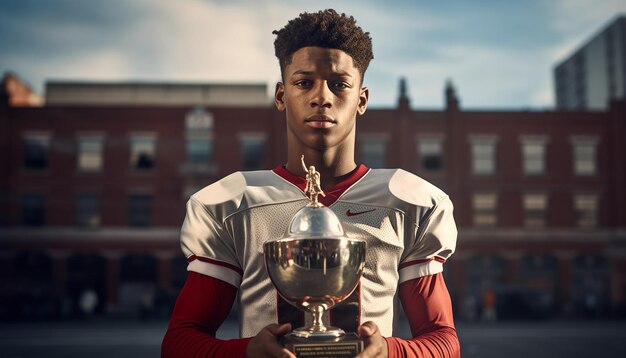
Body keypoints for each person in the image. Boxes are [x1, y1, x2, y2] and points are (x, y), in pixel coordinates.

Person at [162, 9, 460, 358]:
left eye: (339, 84)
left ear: (361, 100)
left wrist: (390, 351)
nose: (322, 97)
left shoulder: (410, 201)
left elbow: (444, 340)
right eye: (304, 82)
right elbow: (180, 342)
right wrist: (245, 353)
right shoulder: (231, 202)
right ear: (281, 95)